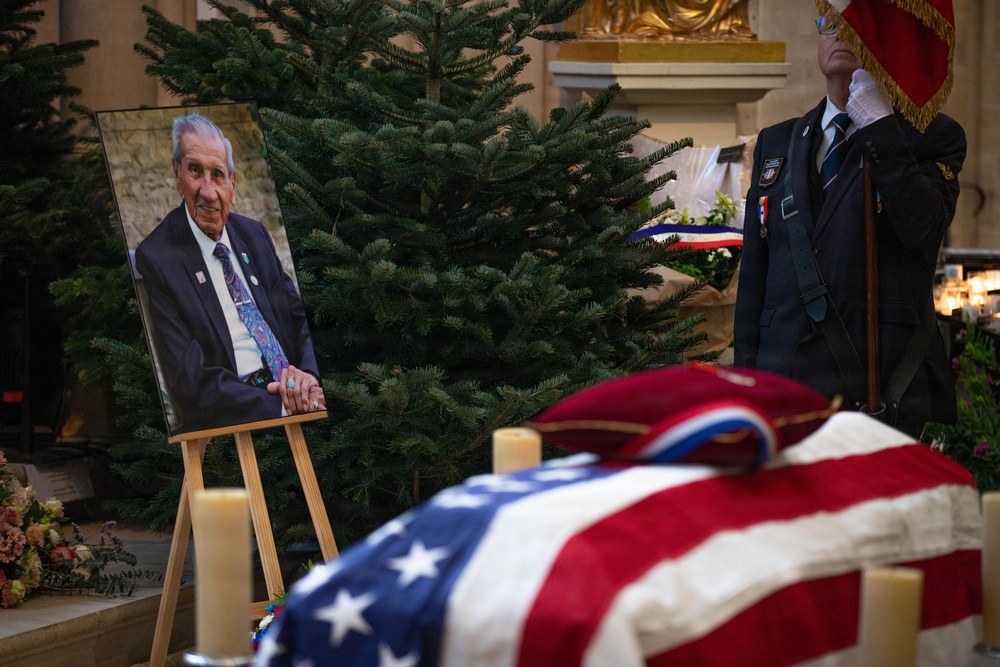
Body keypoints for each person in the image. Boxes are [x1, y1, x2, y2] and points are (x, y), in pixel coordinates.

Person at [734, 15, 966, 439]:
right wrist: (744, 390)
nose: (839, 33)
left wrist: (881, 130)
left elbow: (923, 227)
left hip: (875, 387)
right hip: (783, 387)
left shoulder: (930, 138)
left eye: (855, 21)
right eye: (827, 22)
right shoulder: (778, 141)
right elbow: (754, 282)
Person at [134, 113, 326, 435]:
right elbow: (191, 381)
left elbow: (299, 317)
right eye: (195, 170)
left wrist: (310, 377)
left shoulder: (254, 235)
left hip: (298, 396)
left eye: (218, 175)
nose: (208, 192)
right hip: (243, 417)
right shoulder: (158, 258)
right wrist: (282, 407)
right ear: (177, 173)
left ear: (232, 185)